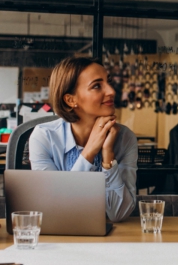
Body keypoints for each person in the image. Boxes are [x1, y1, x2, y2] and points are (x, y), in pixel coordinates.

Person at [28, 57, 137, 222]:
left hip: (110, 240)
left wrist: (108, 157)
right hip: (59, 238)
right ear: (71, 100)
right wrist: (89, 152)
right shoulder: (44, 137)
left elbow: (119, 214)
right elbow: (58, 208)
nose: (111, 91)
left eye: (108, 82)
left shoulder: (124, 138)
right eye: (97, 86)